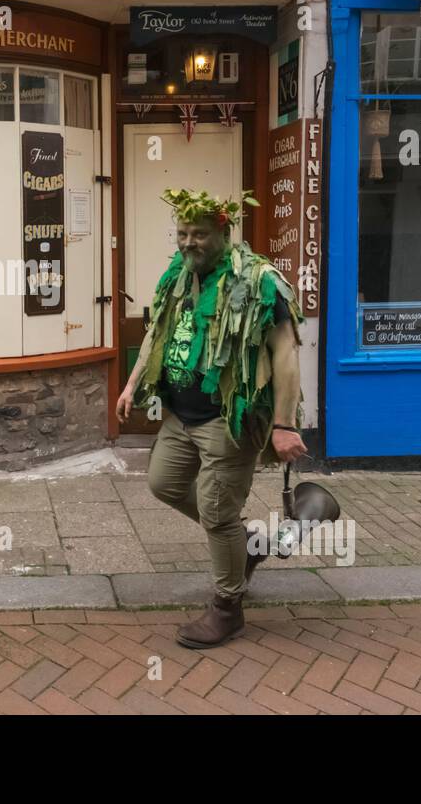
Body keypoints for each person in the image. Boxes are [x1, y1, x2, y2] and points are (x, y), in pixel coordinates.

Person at [116, 187, 308, 648]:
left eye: (198, 234)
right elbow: (156, 332)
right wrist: (131, 384)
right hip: (181, 416)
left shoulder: (259, 280)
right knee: (163, 483)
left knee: (217, 510)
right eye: (182, 233)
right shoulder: (178, 276)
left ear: (223, 231)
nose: (187, 243)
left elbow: (285, 352)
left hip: (228, 417)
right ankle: (247, 543)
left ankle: (228, 608)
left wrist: (283, 425)